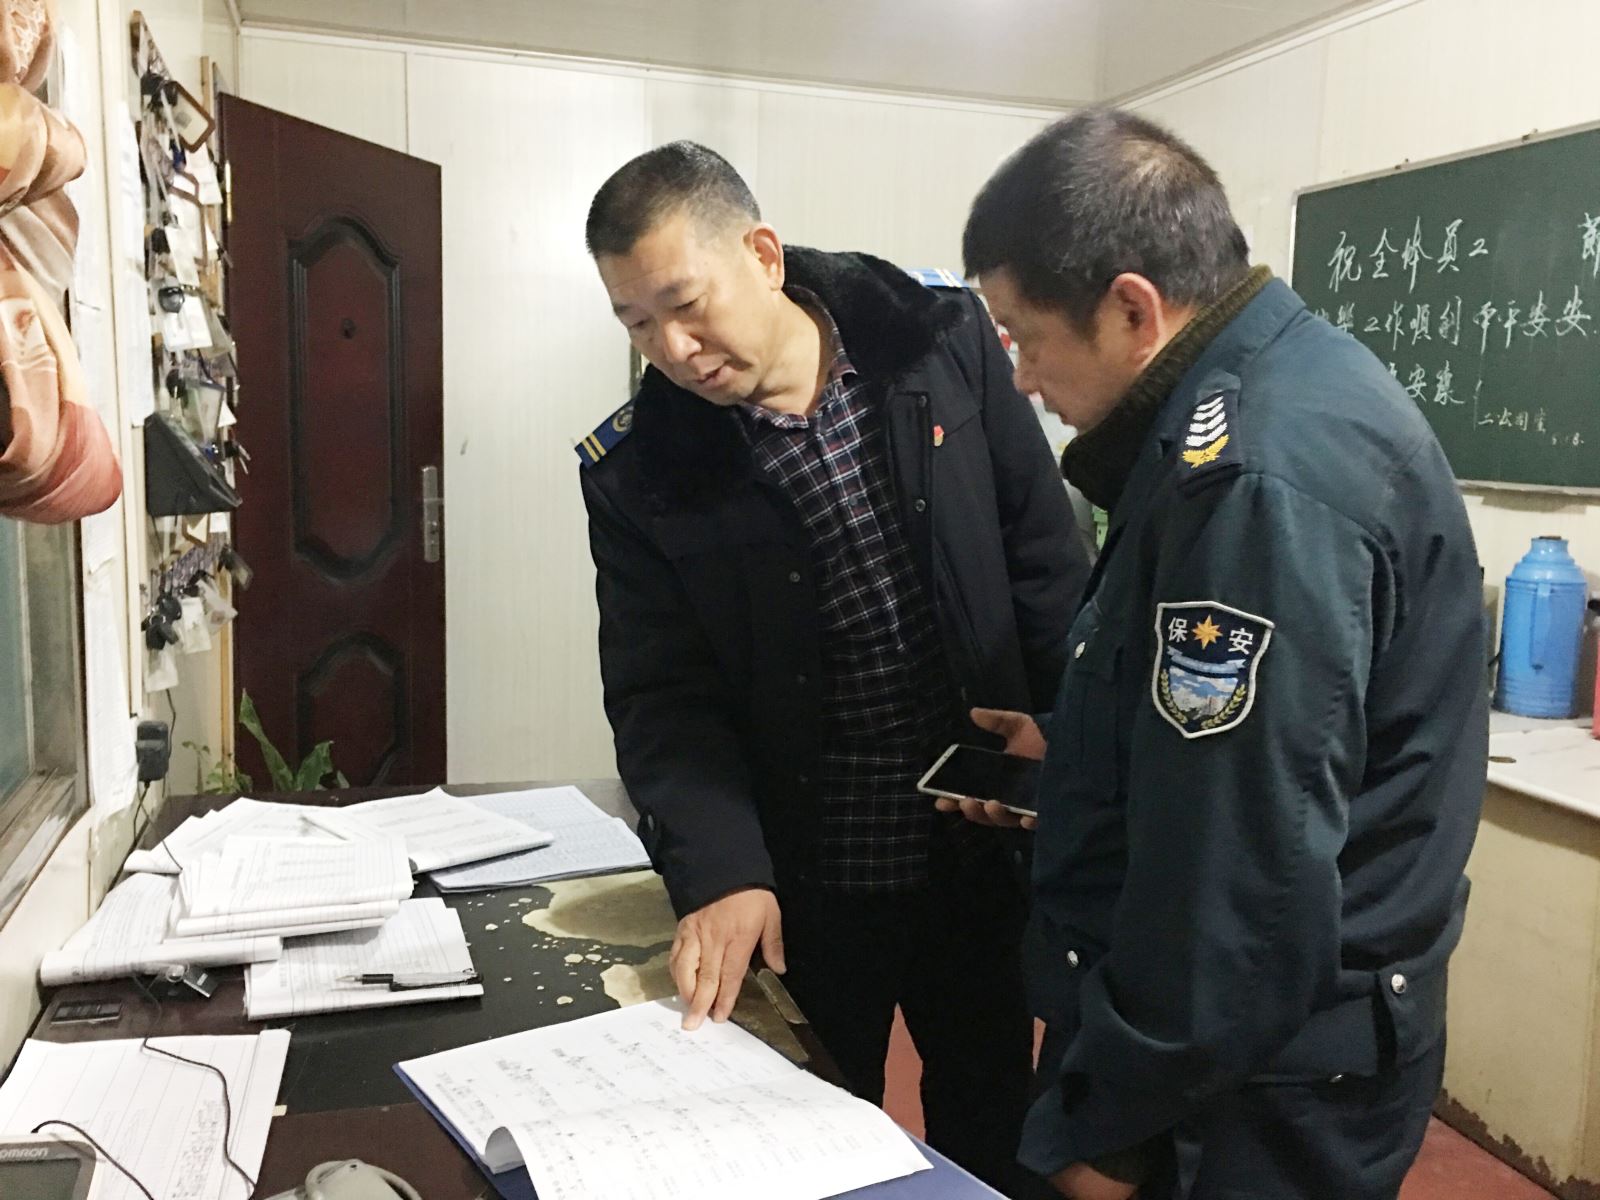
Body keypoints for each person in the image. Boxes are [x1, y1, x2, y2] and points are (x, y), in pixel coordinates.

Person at [945, 109, 1487, 1200]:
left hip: (1243, 1087)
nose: (1022, 379)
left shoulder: (1253, 477)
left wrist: (1112, 1128)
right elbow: (1233, 742)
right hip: (1249, 1044)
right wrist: (1075, 748)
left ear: (1130, 309)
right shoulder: (1255, 392)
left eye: (1023, 336)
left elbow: (1239, 870)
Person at [577, 140, 1091, 1192]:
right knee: (805, 1142)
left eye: (685, 305)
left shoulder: (932, 340)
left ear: (763, 255)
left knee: (993, 1118)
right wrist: (722, 870)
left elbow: (1045, 561)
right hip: (810, 875)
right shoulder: (643, 471)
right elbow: (662, 697)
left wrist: (1073, 752)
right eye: (636, 324)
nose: (673, 349)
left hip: (978, 847)